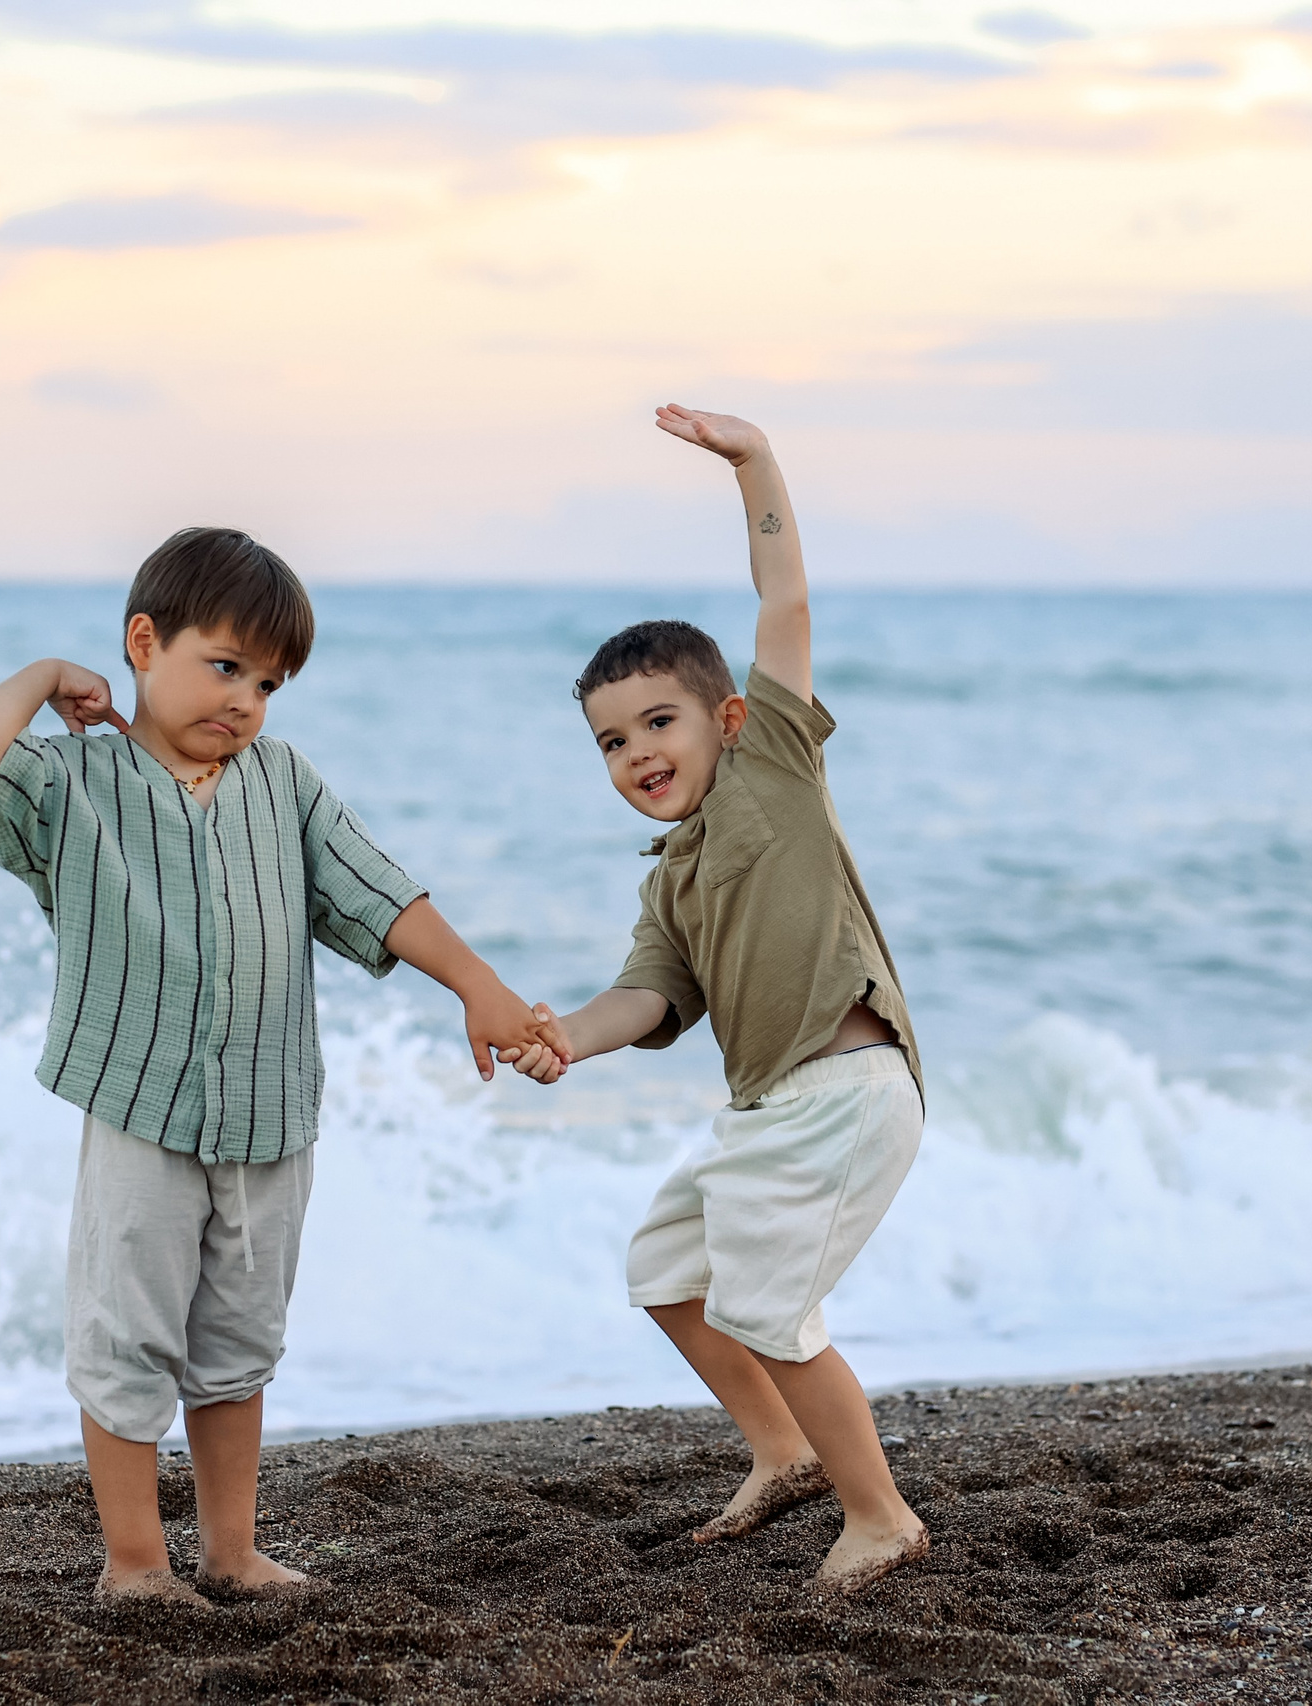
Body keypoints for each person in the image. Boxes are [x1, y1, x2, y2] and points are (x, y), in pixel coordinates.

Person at [0, 527, 546, 1604]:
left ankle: (231, 1548)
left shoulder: (284, 784)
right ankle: (134, 1560)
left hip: (270, 1113)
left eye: (268, 681)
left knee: (239, 1340)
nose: (246, 699)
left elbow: (381, 894)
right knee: (125, 1335)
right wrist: (41, 677)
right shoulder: (76, 785)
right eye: (225, 666)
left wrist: (479, 986)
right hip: (138, 1106)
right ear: (143, 643)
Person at [511, 406, 930, 1593]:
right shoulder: (674, 878)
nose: (636, 750)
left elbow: (784, 601)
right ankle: (782, 1449)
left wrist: (753, 464)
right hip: (770, 1113)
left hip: (847, 1088)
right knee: (665, 1264)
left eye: (658, 720)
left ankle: (880, 1513)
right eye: (609, 742)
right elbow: (644, 996)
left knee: (771, 1302)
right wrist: (563, 1041)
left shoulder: (772, 768)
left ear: (725, 718)